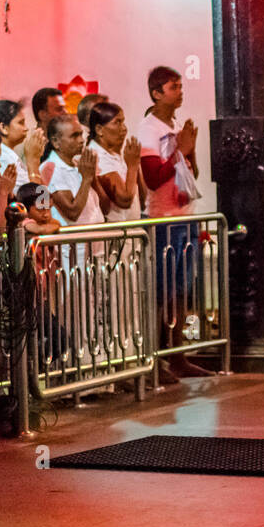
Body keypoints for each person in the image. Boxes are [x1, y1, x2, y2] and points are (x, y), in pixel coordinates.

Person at [137, 66, 211, 382]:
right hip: (163, 220)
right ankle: (157, 358)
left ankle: (178, 355)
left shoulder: (176, 125)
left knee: (182, 291)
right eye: (173, 87)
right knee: (162, 292)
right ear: (156, 93)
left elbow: (190, 171)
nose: (180, 91)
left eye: (181, 86)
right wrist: (181, 150)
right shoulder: (148, 130)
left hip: (185, 215)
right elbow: (153, 178)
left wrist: (188, 152)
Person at [87, 101, 142, 222]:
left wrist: (136, 163)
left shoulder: (113, 153)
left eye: (123, 122)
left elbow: (142, 199)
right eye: (117, 122)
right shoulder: (96, 155)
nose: (124, 128)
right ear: (99, 129)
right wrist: (132, 166)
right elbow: (124, 200)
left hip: (132, 232)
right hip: (117, 235)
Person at [32, 86, 66, 171]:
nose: (65, 112)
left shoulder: (66, 141)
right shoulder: (27, 145)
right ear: (43, 114)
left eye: (65, 108)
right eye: (59, 109)